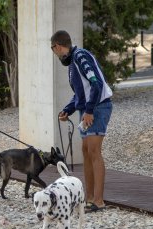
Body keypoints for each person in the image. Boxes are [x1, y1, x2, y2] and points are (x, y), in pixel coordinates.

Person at [51, 30, 113, 212]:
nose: (56, 55)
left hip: (97, 108)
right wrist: (67, 110)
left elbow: (96, 83)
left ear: (58, 46)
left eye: (54, 51)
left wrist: (89, 110)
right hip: (87, 110)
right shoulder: (73, 63)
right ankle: (89, 198)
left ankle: (99, 201)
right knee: (85, 150)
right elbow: (80, 93)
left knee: (94, 150)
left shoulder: (80, 56)